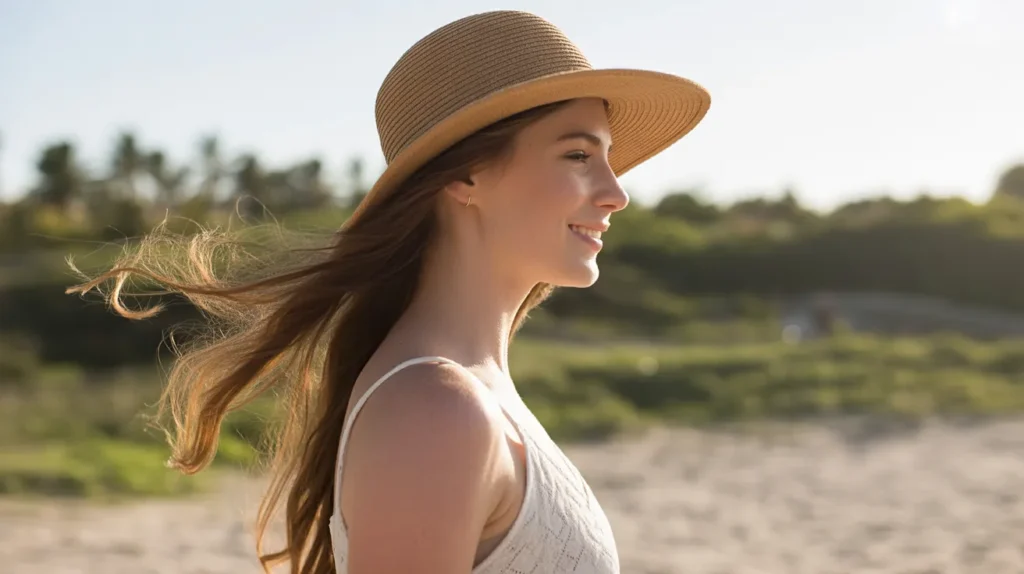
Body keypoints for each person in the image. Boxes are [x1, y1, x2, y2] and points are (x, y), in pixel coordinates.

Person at [66, 9, 710, 574]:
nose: (616, 192)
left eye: (608, 158)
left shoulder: (466, 390)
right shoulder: (435, 411)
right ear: (466, 176)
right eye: (578, 156)